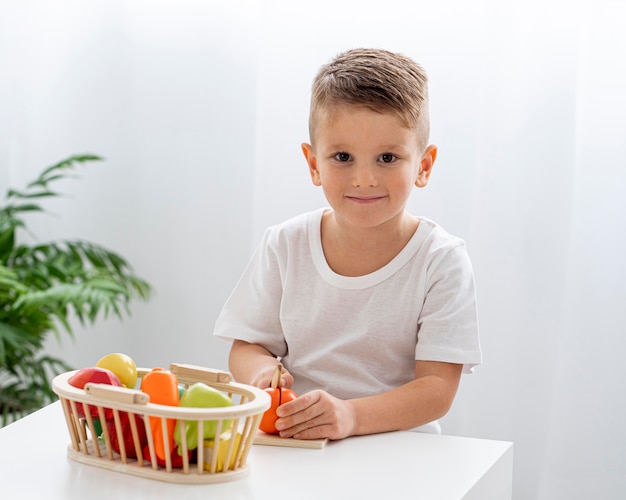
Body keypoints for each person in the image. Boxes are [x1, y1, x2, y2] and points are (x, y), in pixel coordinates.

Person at [214, 48, 482, 440]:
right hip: (297, 441)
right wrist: (261, 372)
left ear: (423, 166)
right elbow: (248, 344)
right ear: (313, 164)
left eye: (387, 158)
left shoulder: (441, 260)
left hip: (401, 451)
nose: (364, 179)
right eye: (343, 156)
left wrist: (350, 416)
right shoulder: (285, 245)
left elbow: (436, 390)